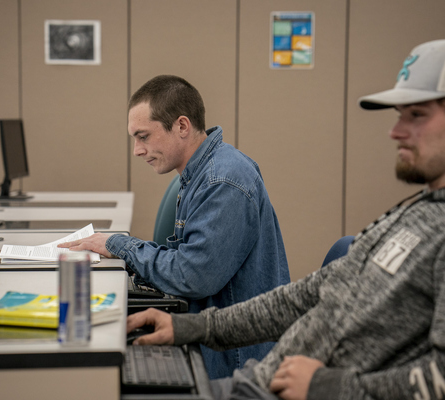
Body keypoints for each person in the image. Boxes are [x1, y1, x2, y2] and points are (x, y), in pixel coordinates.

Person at [125, 38, 445, 400]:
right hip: (257, 384)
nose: (395, 131)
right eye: (399, 116)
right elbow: (302, 298)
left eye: (417, 115)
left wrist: (331, 386)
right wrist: (193, 327)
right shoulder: (427, 209)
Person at [58, 75, 291, 379]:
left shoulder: (222, 181)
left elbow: (191, 276)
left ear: (182, 126)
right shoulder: (203, 172)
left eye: (144, 136)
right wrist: (119, 248)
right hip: (214, 339)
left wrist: (120, 246)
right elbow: (186, 259)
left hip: (234, 361)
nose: (137, 150)